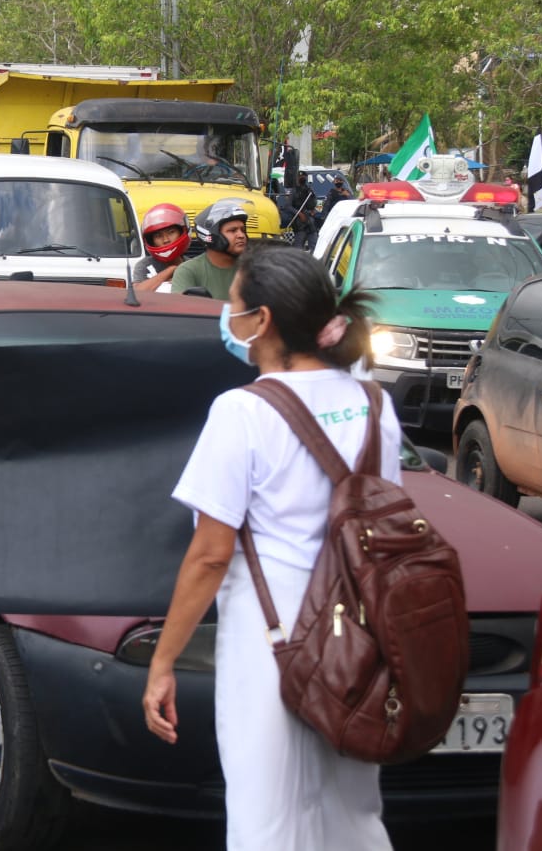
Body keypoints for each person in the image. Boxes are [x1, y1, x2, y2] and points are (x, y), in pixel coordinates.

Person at [142, 243, 401, 851]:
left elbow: (210, 555)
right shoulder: (374, 404)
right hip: (359, 643)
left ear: (261, 322)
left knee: (266, 820)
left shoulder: (243, 412)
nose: (226, 314)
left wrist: (162, 664)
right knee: (352, 816)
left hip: (271, 645)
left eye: (233, 303)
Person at [171, 200, 249, 298]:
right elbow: (180, 308)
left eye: (243, 230)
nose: (241, 235)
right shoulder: (189, 271)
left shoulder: (252, 269)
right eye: (233, 230)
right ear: (213, 235)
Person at [132, 203, 190, 293]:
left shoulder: (193, 266)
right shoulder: (145, 266)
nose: (166, 240)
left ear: (181, 232)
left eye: (171, 232)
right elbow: (137, 293)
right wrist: (172, 270)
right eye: (158, 236)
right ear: (152, 241)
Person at [289, 170, 318, 249]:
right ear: (298, 178)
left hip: (310, 223)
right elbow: (288, 206)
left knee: (314, 246)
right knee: (298, 248)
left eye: (304, 176)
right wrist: (299, 214)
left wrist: (313, 211)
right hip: (300, 223)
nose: (302, 178)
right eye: (300, 176)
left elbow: (314, 204)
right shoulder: (294, 191)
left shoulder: (310, 190)